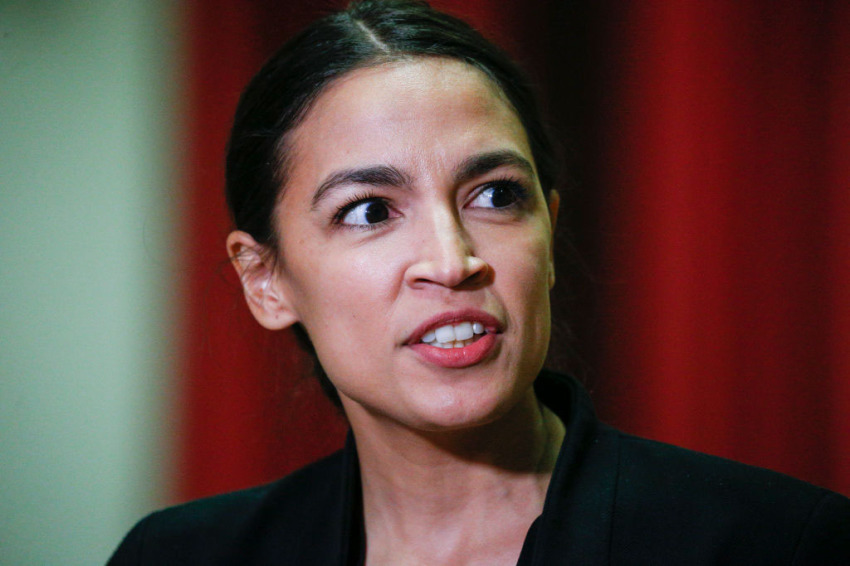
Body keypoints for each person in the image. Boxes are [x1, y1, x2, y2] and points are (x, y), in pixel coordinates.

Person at [109, 1, 850, 564]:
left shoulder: (781, 544)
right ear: (266, 281)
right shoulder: (177, 556)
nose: (452, 259)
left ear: (549, 233)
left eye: (495, 195)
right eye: (370, 210)